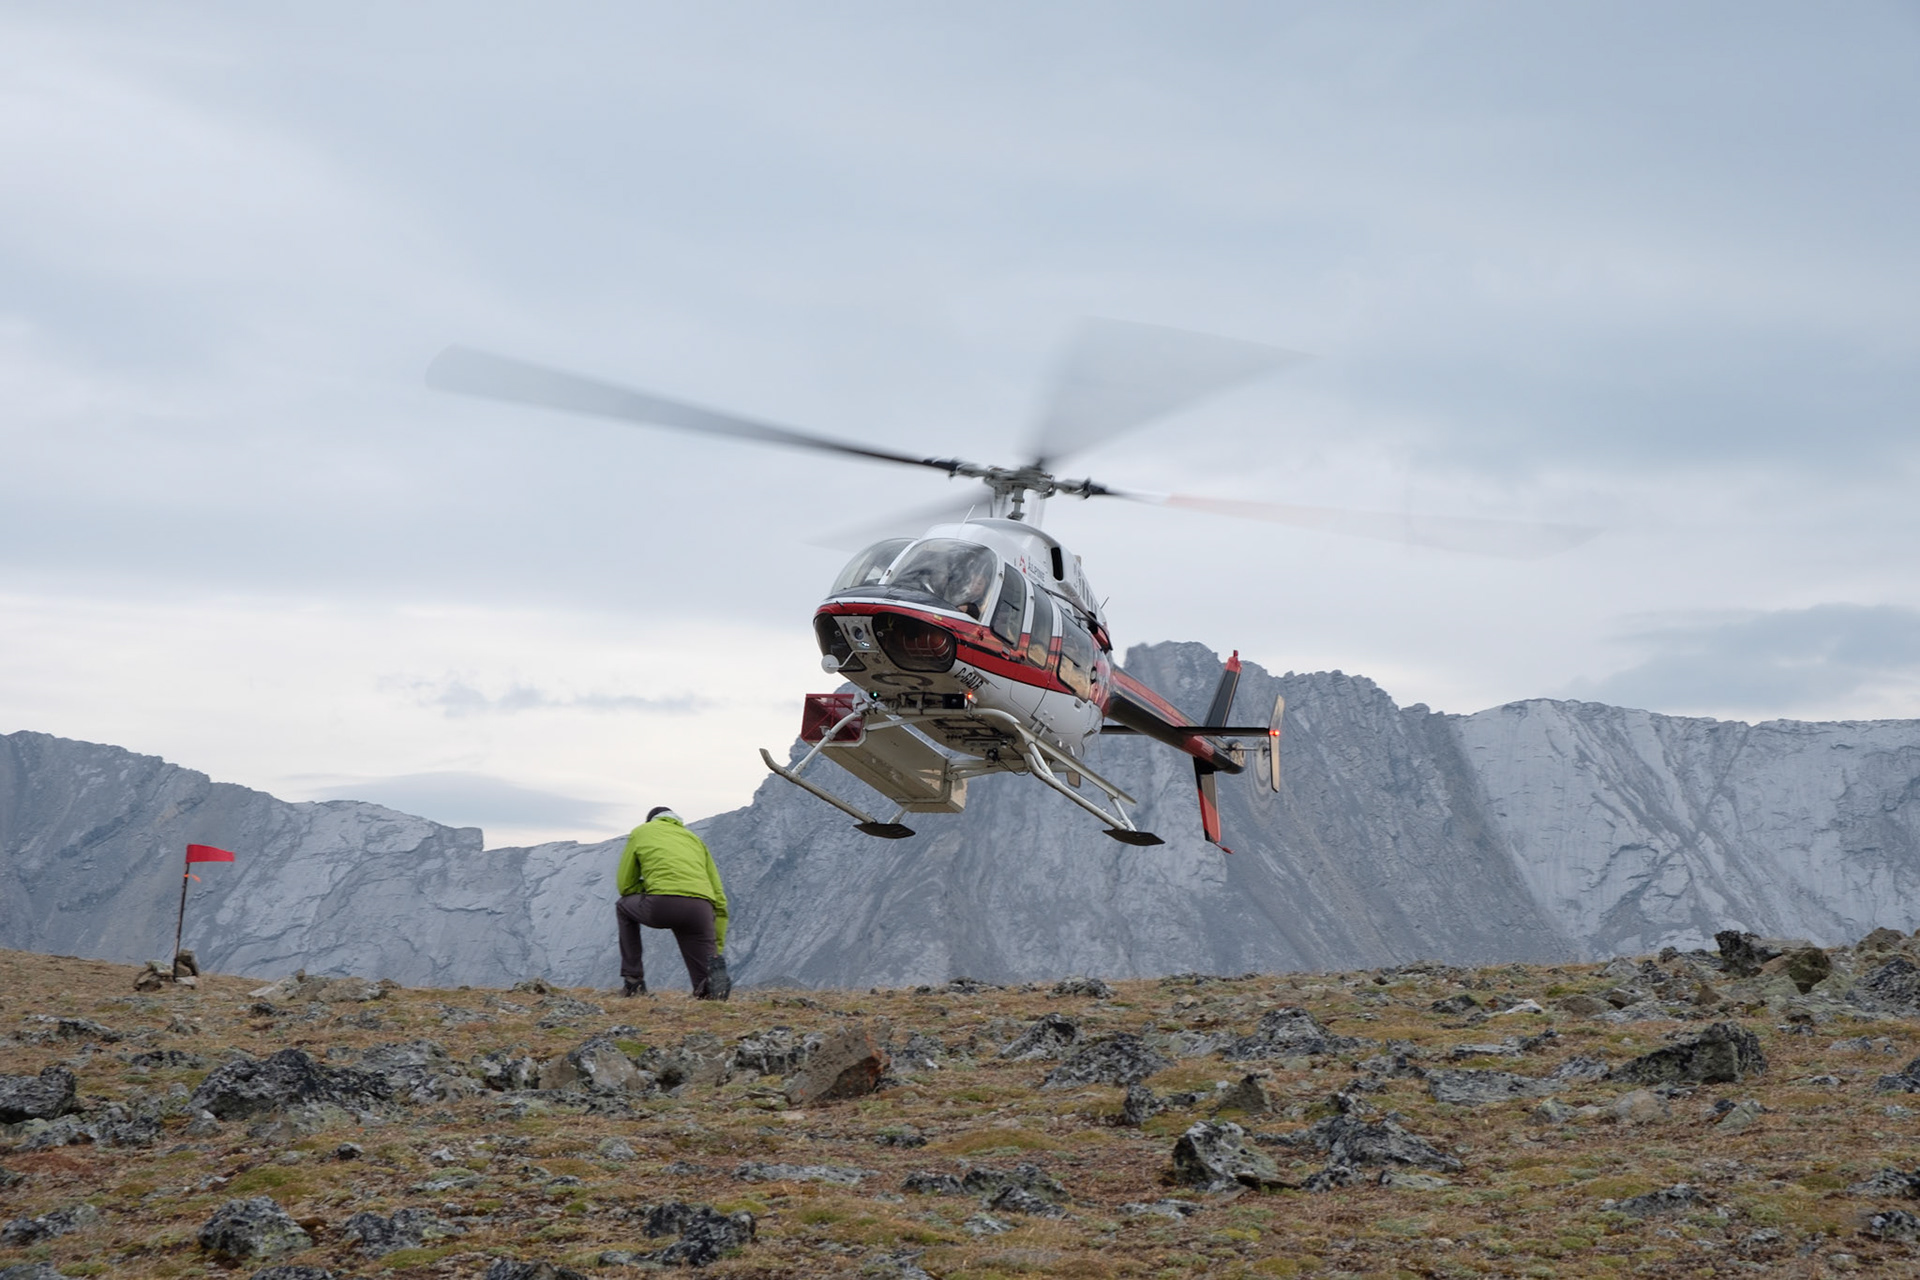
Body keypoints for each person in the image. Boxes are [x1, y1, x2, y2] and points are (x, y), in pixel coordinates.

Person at [615, 806, 730, 998]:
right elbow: (718, 894)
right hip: (700, 908)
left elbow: (625, 883)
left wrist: (647, 889)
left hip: (662, 904)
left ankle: (633, 981)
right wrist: (715, 947)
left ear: (650, 821)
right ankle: (708, 990)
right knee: (698, 950)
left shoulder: (641, 832)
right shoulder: (694, 839)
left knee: (622, 906)